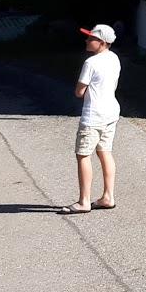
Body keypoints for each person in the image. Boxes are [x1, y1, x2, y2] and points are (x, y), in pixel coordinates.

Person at [59, 23, 121, 214]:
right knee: (105, 152)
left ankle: (84, 201)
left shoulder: (91, 63)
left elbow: (79, 91)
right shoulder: (114, 58)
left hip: (93, 115)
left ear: (102, 42)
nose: (87, 40)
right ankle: (108, 196)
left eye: (91, 38)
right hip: (111, 111)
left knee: (83, 154)